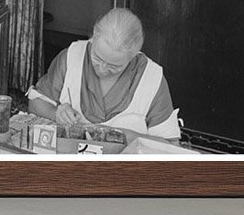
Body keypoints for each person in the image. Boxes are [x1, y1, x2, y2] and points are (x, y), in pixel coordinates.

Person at [27, 8, 180, 141]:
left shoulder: (151, 78)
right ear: (93, 38)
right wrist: (57, 114)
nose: (102, 69)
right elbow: (35, 104)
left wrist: (125, 136)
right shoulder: (72, 56)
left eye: (115, 66)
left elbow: (170, 145)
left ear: (133, 56)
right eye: (97, 58)